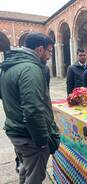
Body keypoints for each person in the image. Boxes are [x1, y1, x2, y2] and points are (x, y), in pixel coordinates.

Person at [0, 32, 60, 184]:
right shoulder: (30, 69)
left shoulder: (11, 65)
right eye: (49, 52)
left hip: (16, 131)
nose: (49, 56)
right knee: (34, 177)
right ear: (40, 49)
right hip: (29, 136)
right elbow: (33, 110)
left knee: (25, 170)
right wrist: (42, 140)